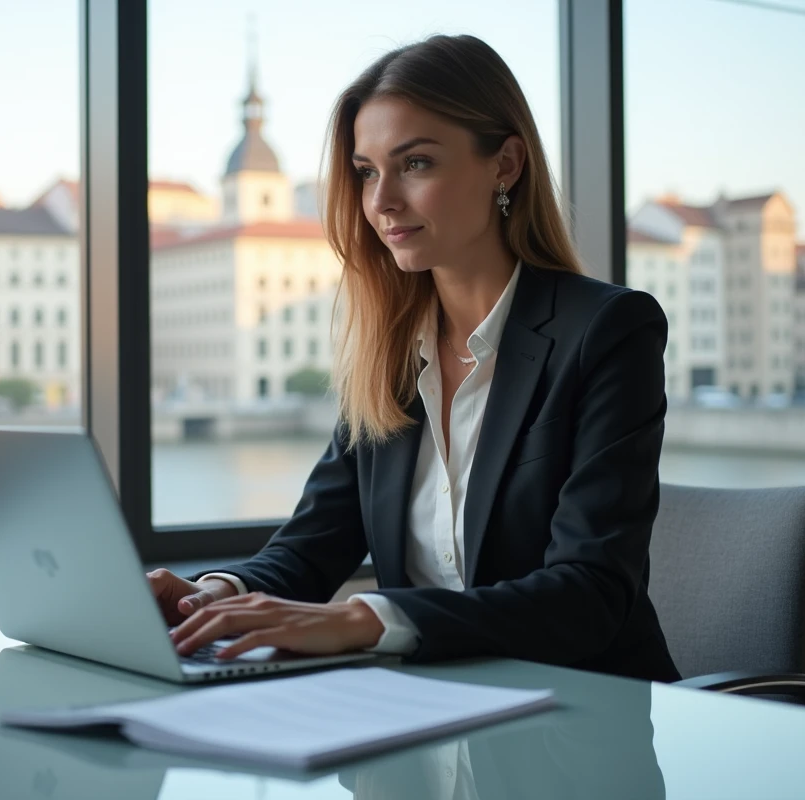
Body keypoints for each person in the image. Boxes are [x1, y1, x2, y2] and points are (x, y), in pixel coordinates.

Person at [150, 33, 680, 683]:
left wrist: (367, 619)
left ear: (505, 165)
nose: (381, 201)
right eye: (368, 171)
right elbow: (313, 543)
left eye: (417, 164)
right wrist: (217, 593)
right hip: (434, 718)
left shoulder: (606, 330)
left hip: (583, 721)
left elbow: (588, 595)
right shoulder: (391, 354)